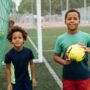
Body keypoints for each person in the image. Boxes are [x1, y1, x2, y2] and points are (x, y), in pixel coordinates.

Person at [53, 9, 90, 90]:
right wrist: (64, 62)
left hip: (84, 76)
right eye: (69, 19)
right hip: (68, 77)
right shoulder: (60, 39)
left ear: (79, 21)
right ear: (65, 21)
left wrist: (88, 50)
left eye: (75, 19)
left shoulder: (87, 36)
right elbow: (55, 56)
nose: (72, 21)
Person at [5, 26, 37, 90]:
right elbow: (8, 69)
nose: (17, 39)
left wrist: (33, 78)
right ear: (11, 40)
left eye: (19, 37)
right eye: (14, 38)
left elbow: (31, 64)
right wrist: (9, 83)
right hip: (15, 82)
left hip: (27, 80)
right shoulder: (8, 55)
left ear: (24, 39)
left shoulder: (28, 52)